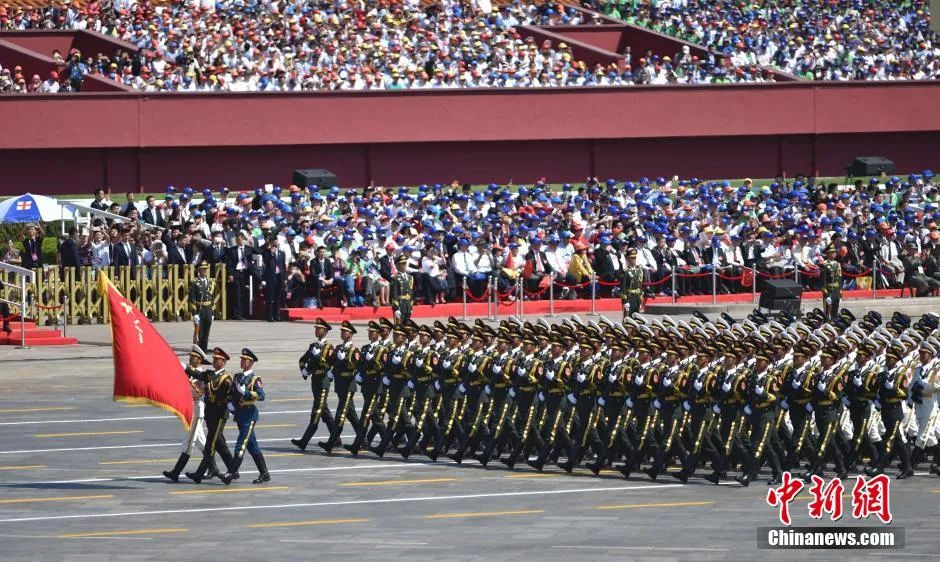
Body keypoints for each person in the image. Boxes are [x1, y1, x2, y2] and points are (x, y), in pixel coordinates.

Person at [163, 345, 215, 482]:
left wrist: (185, 370)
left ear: (200, 360)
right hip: (189, 409)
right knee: (201, 442)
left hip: (197, 410)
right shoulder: (188, 373)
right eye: (190, 356)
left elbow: (199, 389)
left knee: (188, 442)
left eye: (194, 357)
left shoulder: (203, 375)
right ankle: (213, 468)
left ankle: (176, 472)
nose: (191, 358)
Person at [186, 347, 236, 483]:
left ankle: (199, 474)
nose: (214, 361)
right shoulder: (209, 374)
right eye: (214, 359)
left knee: (210, 445)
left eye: (217, 359)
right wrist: (184, 367)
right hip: (210, 414)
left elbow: (230, 396)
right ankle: (233, 469)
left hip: (219, 415)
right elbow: (197, 374)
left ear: (223, 362)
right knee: (219, 444)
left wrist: (231, 408)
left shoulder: (226, 379)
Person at [221, 348, 270, 484]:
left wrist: (246, 393)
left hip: (249, 415)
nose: (242, 361)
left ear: (251, 362)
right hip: (239, 414)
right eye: (242, 359)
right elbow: (231, 394)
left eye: (245, 360)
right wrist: (229, 404)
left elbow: (261, 395)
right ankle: (265, 474)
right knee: (252, 446)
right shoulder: (237, 377)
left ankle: (231, 472)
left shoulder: (255, 379)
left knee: (241, 444)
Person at [292, 318, 337, 450]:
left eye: (319, 328)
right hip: (315, 381)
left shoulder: (329, 348)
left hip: (323, 381)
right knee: (325, 412)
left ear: (325, 331)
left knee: (316, 411)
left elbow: (329, 365)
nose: (316, 330)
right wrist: (304, 370)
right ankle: (336, 439)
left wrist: (318, 357)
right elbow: (302, 360)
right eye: (316, 328)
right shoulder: (312, 346)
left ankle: (304, 441)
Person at [319, 321, 362, 453]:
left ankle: (331, 442)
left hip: (349, 386)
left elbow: (355, 366)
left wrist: (344, 359)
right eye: (342, 331)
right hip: (340, 385)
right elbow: (331, 362)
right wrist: (330, 370)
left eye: (345, 331)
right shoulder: (338, 348)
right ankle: (364, 439)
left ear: (351, 334)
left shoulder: (354, 350)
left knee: (340, 415)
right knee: (351, 415)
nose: (342, 333)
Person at [189, 262, 214, 352]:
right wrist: (194, 313)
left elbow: (212, 297)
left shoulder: (210, 282)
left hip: (208, 309)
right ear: (199, 270)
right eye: (203, 269)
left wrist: (212, 312)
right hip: (200, 309)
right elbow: (192, 298)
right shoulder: (194, 282)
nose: (205, 271)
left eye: (206, 269)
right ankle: (199, 351)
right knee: (200, 332)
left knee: (207, 332)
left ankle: (204, 350)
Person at [261, 236, 286, 321]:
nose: (275, 244)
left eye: (276, 242)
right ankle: (269, 315)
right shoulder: (266, 252)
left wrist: (285, 278)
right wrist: (271, 253)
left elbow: (283, 266)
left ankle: (277, 315)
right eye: (274, 242)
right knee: (270, 297)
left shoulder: (282, 253)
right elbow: (266, 262)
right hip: (271, 276)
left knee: (277, 297)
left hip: (279, 276)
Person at [820, 245, 841, 320]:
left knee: (835, 311)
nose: (834, 254)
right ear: (828, 254)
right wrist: (826, 295)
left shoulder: (837, 264)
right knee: (827, 312)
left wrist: (840, 292)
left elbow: (840, 278)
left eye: (834, 252)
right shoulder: (824, 264)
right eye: (832, 252)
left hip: (836, 290)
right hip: (829, 290)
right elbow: (823, 281)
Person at [620, 248, 643, 319]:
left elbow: (640, 285)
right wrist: (625, 301)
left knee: (637, 319)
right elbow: (623, 287)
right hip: (630, 298)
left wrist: (640, 297)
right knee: (628, 319)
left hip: (637, 298)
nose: (634, 260)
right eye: (632, 258)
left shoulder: (639, 271)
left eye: (634, 258)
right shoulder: (625, 272)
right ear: (628, 259)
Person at [390, 254, 413, 324]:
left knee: (407, 326)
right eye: (402, 264)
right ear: (397, 266)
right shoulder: (395, 278)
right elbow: (394, 294)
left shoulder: (410, 278)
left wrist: (411, 306)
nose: (404, 265)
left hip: (407, 305)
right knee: (399, 327)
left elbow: (411, 292)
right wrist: (396, 308)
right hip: (400, 304)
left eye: (405, 263)